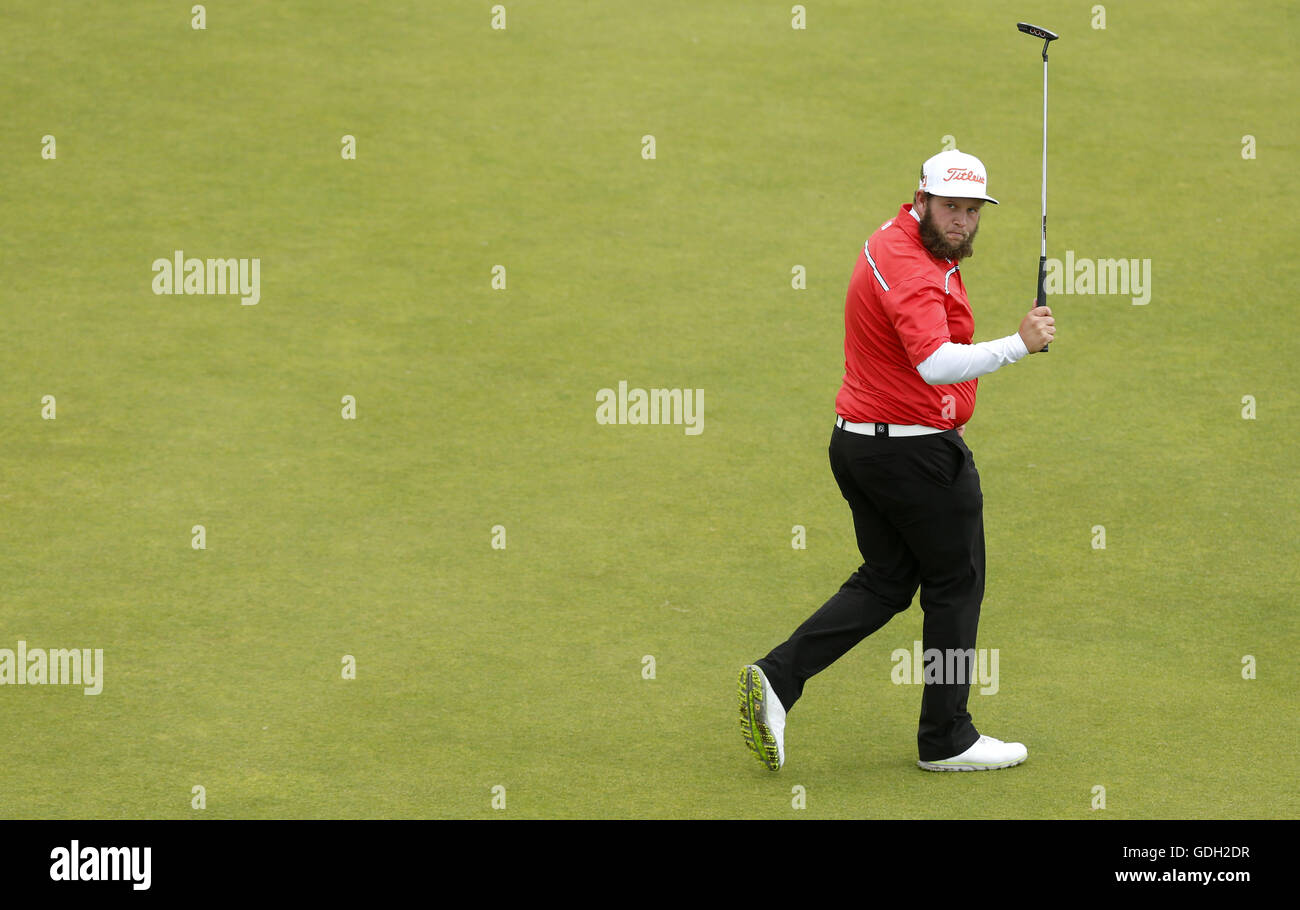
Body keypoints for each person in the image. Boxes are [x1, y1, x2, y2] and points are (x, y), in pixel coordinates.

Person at [738, 149, 1056, 772]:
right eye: (950, 208)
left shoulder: (891, 239)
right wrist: (1019, 344)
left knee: (887, 579)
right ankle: (947, 737)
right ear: (922, 199)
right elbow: (935, 362)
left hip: (856, 444)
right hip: (915, 457)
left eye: (972, 210)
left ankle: (777, 679)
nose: (962, 221)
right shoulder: (916, 270)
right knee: (955, 586)